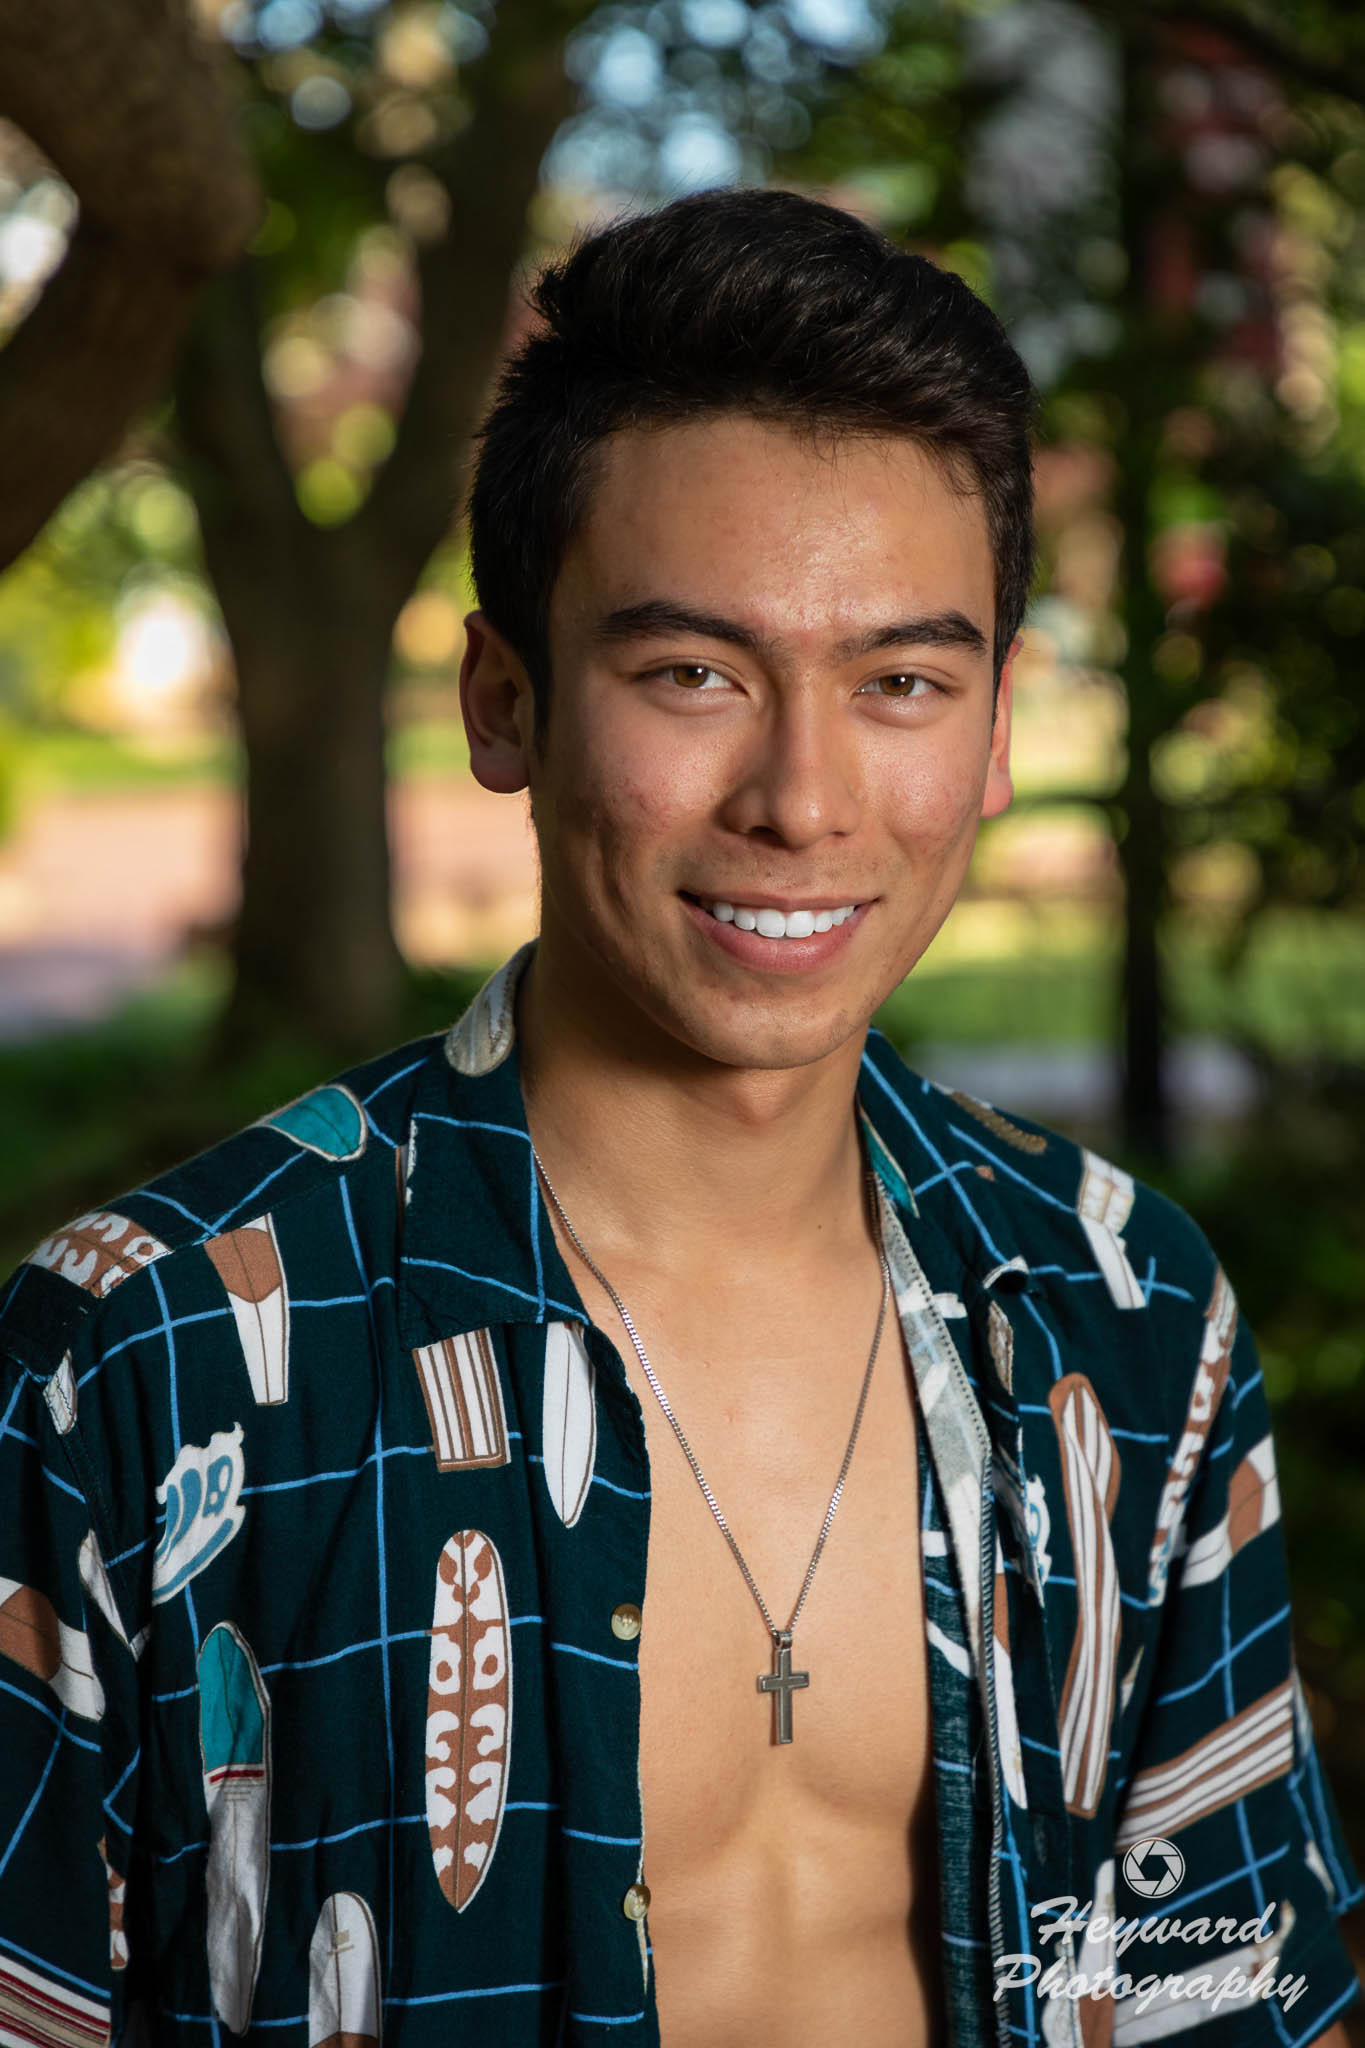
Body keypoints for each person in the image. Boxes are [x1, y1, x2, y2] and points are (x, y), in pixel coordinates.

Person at [0, 189, 1357, 2048]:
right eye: (692, 674)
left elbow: (1233, 1993)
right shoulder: (148, 1365)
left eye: (897, 682)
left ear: (994, 728)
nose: (803, 799)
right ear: (507, 702)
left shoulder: (1122, 1314)